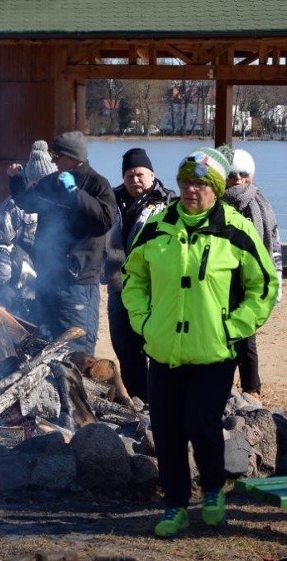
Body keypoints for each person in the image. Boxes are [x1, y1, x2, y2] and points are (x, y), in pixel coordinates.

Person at [122, 147, 278, 537]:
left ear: (217, 188)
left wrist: (234, 327)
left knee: (201, 423)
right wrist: (144, 322)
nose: (192, 190)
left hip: (214, 351)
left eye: (201, 184)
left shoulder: (235, 229)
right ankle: (174, 504)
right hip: (164, 350)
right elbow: (133, 278)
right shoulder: (157, 226)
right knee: (168, 430)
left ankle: (212, 489)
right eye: (186, 182)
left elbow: (264, 286)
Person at [6, 130, 116, 355]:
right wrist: (17, 179)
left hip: (78, 283)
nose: (53, 160)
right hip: (48, 279)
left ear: (74, 156)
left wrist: (76, 194)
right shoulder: (53, 181)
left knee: (77, 351)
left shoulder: (97, 184)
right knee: (46, 347)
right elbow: (29, 202)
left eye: (58, 156)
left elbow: (105, 221)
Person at [103, 148, 175, 402]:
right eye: (129, 175)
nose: (135, 179)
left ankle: (158, 396)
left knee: (153, 343)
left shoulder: (167, 201)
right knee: (124, 346)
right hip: (118, 285)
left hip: (153, 289)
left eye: (140, 174)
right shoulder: (110, 200)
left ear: (152, 174)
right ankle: (137, 398)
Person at [219, 147, 282, 398]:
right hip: (221, 281)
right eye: (232, 174)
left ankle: (252, 389)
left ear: (251, 174)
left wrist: (276, 281)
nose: (238, 179)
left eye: (243, 174)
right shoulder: (213, 204)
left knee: (247, 339)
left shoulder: (261, 205)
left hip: (250, 282)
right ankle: (222, 388)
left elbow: (274, 243)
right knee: (221, 338)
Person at [0, 140, 56, 319]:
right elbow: (1, 246)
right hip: (20, 282)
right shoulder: (13, 206)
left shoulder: (59, 204)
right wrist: (4, 285)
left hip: (51, 279)